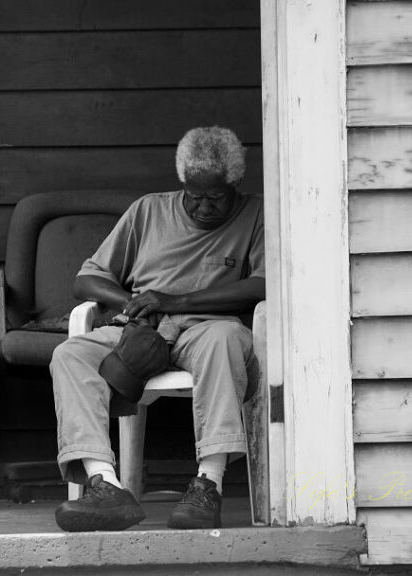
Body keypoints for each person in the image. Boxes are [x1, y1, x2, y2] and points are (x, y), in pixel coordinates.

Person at [50, 126, 265, 532]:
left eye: (214, 198)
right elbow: (87, 277)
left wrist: (174, 301)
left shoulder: (256, 214)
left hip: (207, 327)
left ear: (234, 185)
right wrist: (128, 303)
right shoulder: (148, 210)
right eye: (194, 196)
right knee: (70, 354)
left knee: (225, 340)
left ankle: (208, 484)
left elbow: (263, 283)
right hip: (141, 326)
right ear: (182, 183)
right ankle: (105, 486)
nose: (202, 208)